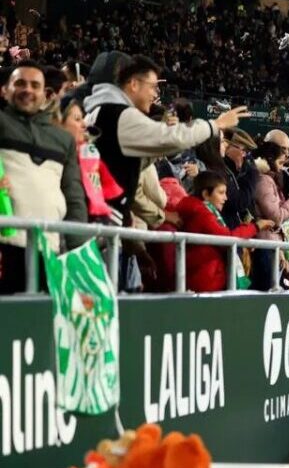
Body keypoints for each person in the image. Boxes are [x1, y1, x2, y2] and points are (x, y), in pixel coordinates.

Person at [82, 54, 248, 220]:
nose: (156, 94)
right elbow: (174, 138)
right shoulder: (120, 115)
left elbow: (128, 168)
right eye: (153, 87)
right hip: (103, 218)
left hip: (101, 214)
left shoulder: (100, 111)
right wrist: (215, 125)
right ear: (133, 84)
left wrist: (160, 216)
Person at [0, 61, 88, 294]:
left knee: (39, 325)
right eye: (20, 83)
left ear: (44, 94)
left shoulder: (63, 139)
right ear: (5, 90)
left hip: (49, 249)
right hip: (5, 246)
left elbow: (74, 196)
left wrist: (77, 253)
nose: (27, 89)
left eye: (35, 85)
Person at [175, 171, 273, 292]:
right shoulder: (201, 214)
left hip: (206, 278)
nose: (225, 198)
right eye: (221, 193)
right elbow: (228, 238)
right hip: (206, 282)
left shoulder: (202, 211)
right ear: (206, 194)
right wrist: (255, 227)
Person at [250, 141, 289, 291]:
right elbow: (277, 216)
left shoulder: (267, 179)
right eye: (280, 162)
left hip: (271, 245)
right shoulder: (264, 181)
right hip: (265, 246)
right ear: (269, 160)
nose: (282, 167)